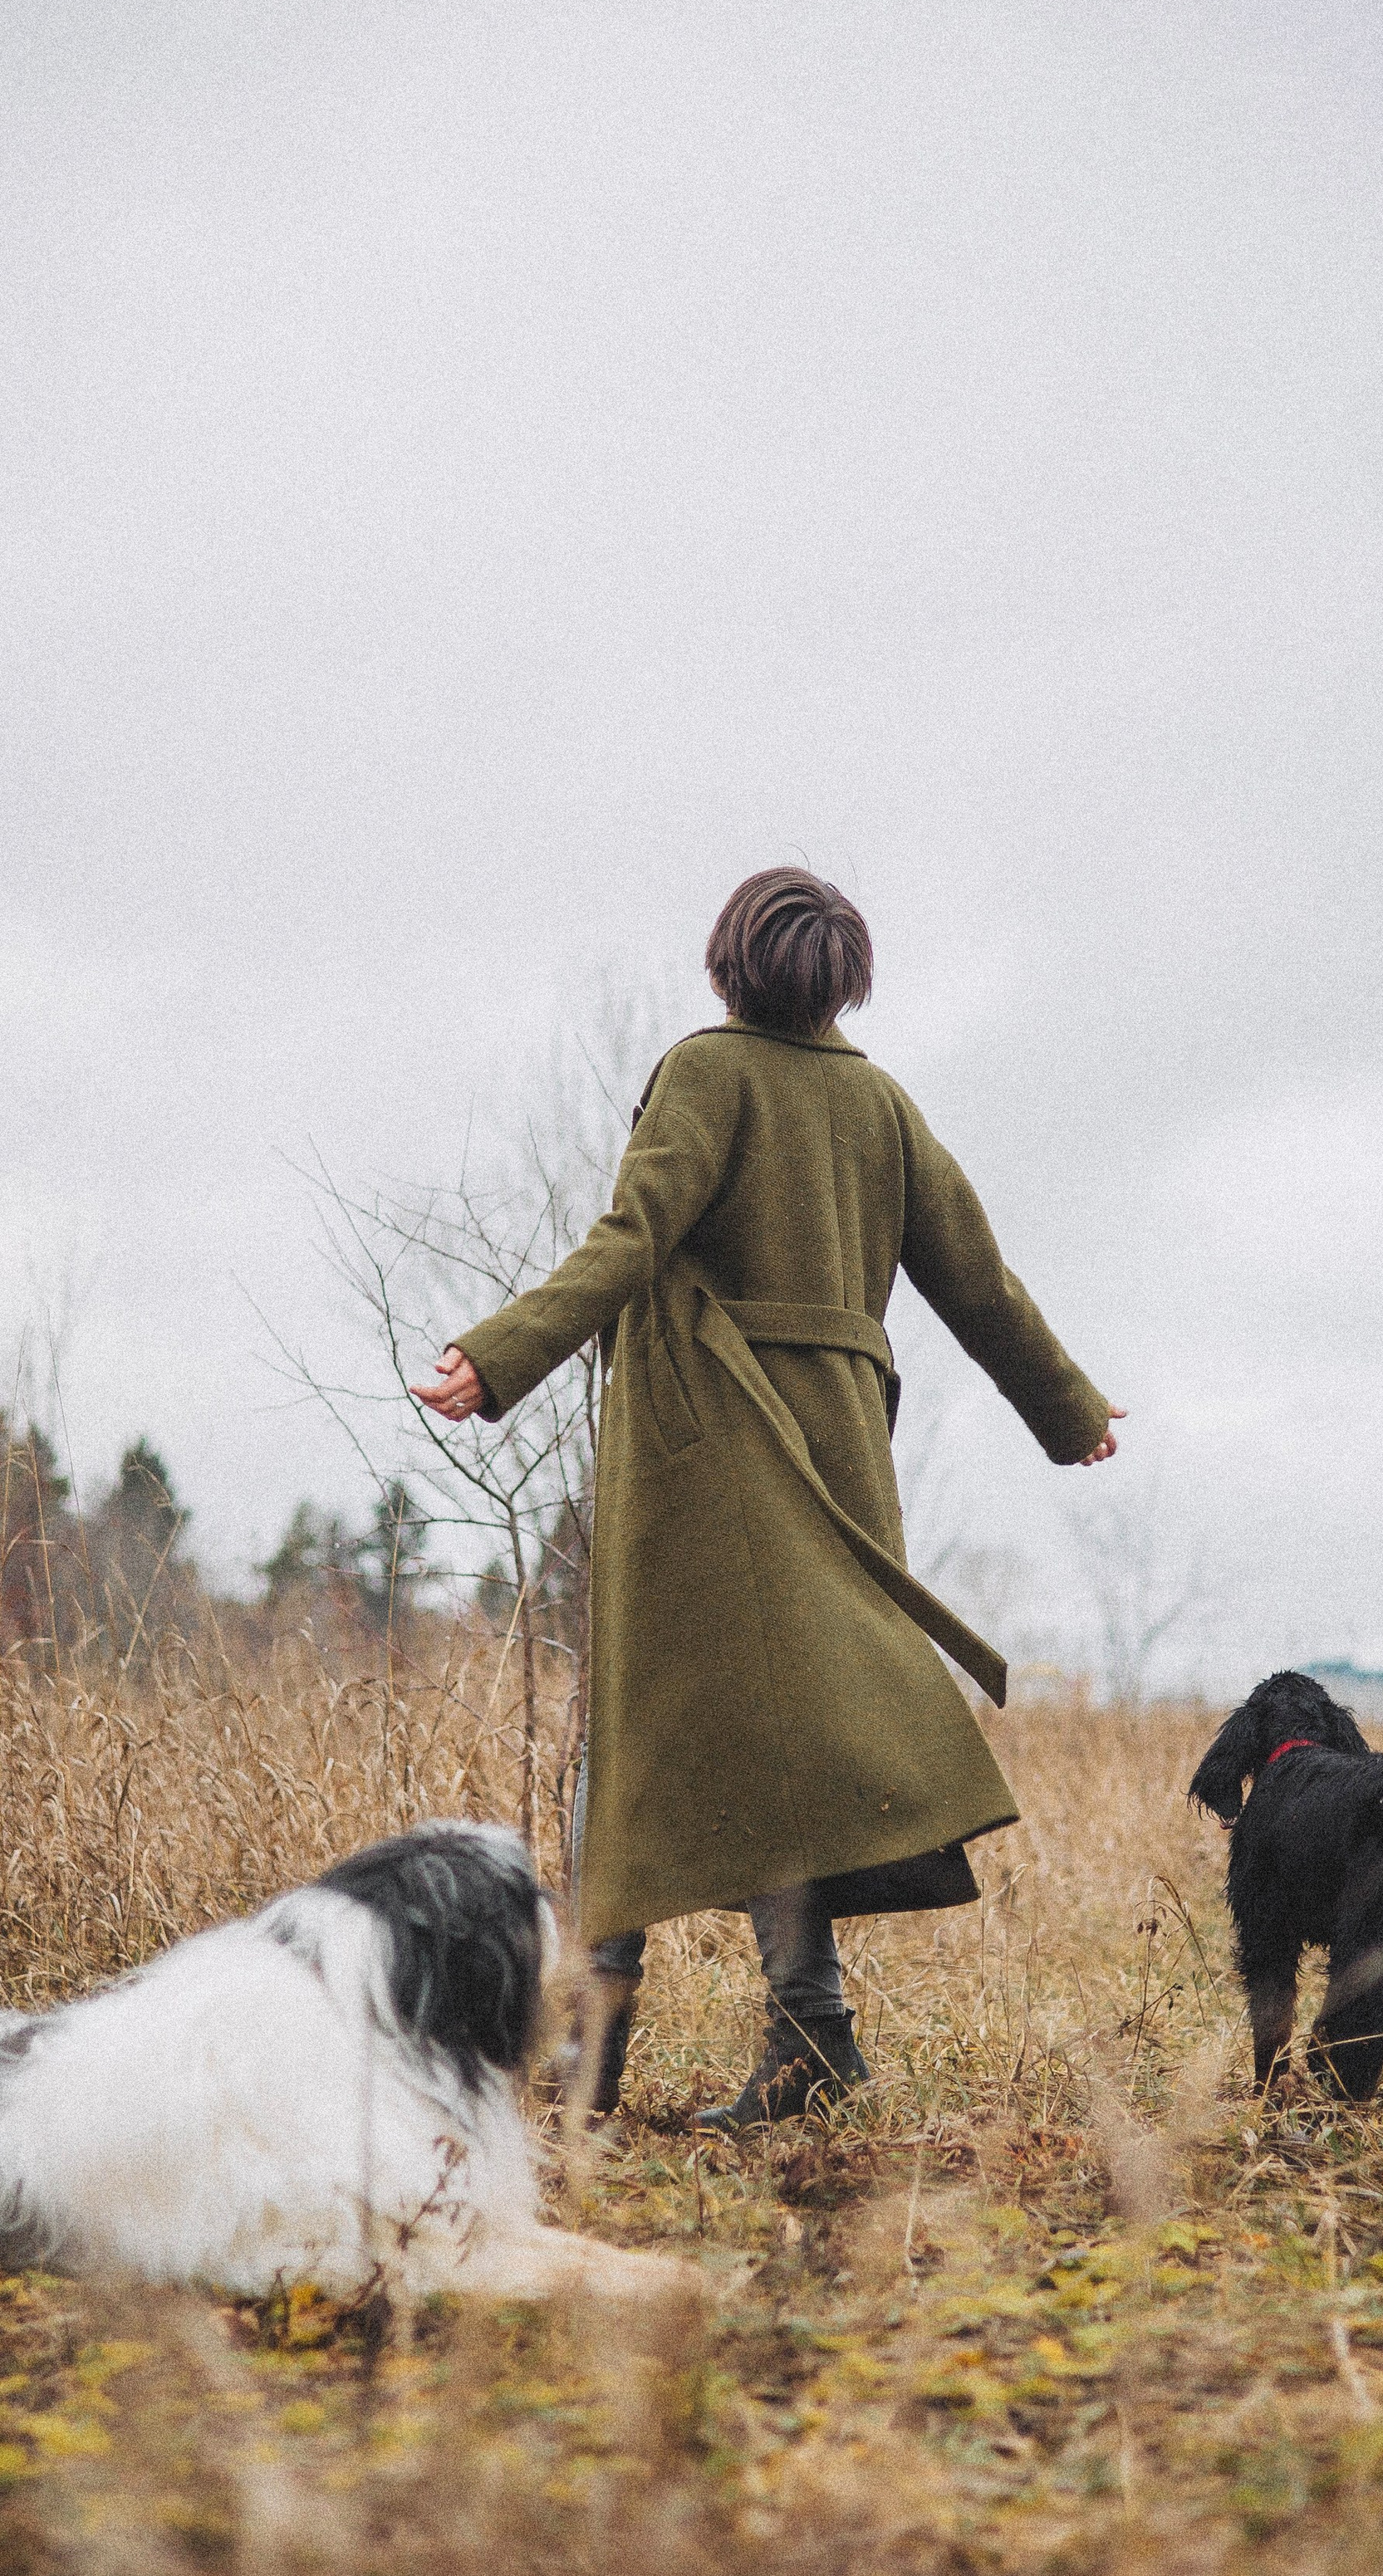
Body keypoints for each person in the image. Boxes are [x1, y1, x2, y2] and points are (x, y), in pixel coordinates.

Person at [412, 868, 1122, 2130]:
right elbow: (982, 1282)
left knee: (643, 1731)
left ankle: (598, 2056)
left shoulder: (709, 1072)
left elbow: (628, 1240)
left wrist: (499, 1352)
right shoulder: (879, 1102)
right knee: (773, 1748)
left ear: (727, 960)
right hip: (837, 1447)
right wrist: (1067, 1410)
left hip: (711, 1446)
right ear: (843, 976)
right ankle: (806, 2040)